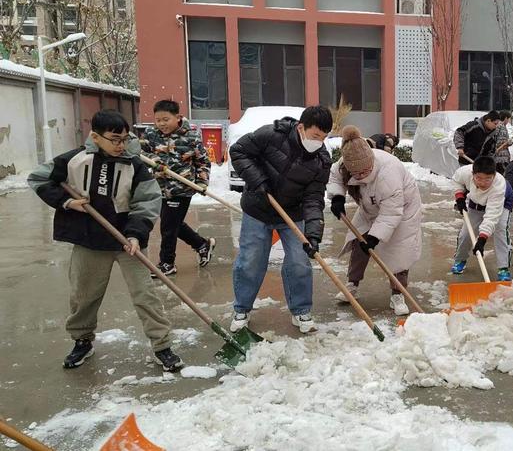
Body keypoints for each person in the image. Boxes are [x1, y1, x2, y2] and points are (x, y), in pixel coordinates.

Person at [28, 110, 183, 372]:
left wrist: (136, 234)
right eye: (114, 139)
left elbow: (147, 201)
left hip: (128, 241)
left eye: (124, 139)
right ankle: (82, 340)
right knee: (84, 296)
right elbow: (38, 178)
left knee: (145, 295)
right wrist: (67, 202)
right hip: (89, 240)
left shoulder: (134, 165)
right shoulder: (75, 160)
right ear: (95, 137)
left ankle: (162, 345)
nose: (120, 145)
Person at [228, 106, 333, 334]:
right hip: (258, 208)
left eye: (324, 138)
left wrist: (313, 235)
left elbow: (314, 199)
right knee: (251, 261)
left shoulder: (322, 160)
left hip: (293, 215)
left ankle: (301, 310)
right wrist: (257, 180)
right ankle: (241, 308)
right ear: (301, 127)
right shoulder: (271, 135)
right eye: (315, 136)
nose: (319, 142)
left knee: (299, 261)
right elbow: (238, 151)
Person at [328, 126, 423, 316]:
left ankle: (398, 293)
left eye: (365, 171)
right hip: (369, 205)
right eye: (357, 174)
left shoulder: (389, 173)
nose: (362, 175)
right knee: (358, 241)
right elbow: (335, 177)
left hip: (402, 210)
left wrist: (375, 237)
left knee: (399, 250)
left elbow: (391, 213)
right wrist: (337, 197)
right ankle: (351, 285)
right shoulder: (345, 161)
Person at [140, 100, 215, 277]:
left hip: (181, 188)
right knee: (173, 224)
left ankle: (167, 263)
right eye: (158, 120)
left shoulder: (191, 137)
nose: (161, 124)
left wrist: (202, 183)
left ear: (178, 117)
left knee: (168, 226)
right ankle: (202, 244)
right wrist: (153, 159)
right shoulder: (151, 134)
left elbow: (203, 162)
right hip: (158, 187)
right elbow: (140, 152)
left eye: (166, 119)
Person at [450, 156, 513, 281]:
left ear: (494, 176)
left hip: (502, 203)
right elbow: (457, 181)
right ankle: (460, 260)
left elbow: (491, 216)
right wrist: (460, 196)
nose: (483, 183)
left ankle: (503, 267)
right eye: (478, 178)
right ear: (473, 174)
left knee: (500, 230)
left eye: (488, 179)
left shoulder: (498, 187)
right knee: (467, 232)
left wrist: (482, 240)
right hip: (476, 200)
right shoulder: (465, 172)